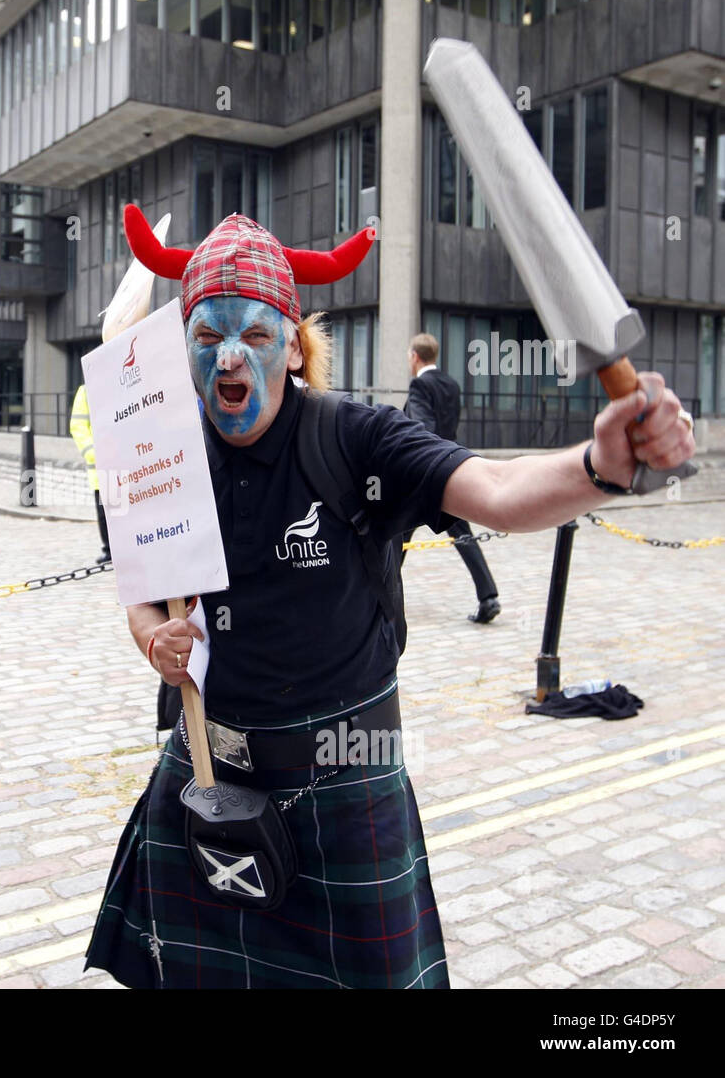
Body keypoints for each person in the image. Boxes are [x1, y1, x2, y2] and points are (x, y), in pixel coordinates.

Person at [83, 205, 695, 989]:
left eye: (256, 337)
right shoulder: (159, 455)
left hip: (345, 782)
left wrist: (601, 466)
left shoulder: (359, 438)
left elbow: (500, 490)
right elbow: (144, 590)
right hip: (208, 776)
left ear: (295, 350)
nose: (230, 357)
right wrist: (149, 639)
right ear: (187, 350)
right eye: (207, 338)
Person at [403, 333, 500, 623]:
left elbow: (423, 428)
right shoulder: (451, 383)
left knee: (395, 537)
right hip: (451, 470)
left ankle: (375, 598)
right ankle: (489, 596)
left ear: (415, 357)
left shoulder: (420, 384)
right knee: (463, 536)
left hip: (424, 475)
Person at [69, 384, 111, 564]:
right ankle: (109, 549)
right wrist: (93, 453)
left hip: (125, 463)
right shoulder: (86, 390)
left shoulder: (120, 383)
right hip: (101, 467)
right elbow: (77, 425)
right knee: (105, 511)